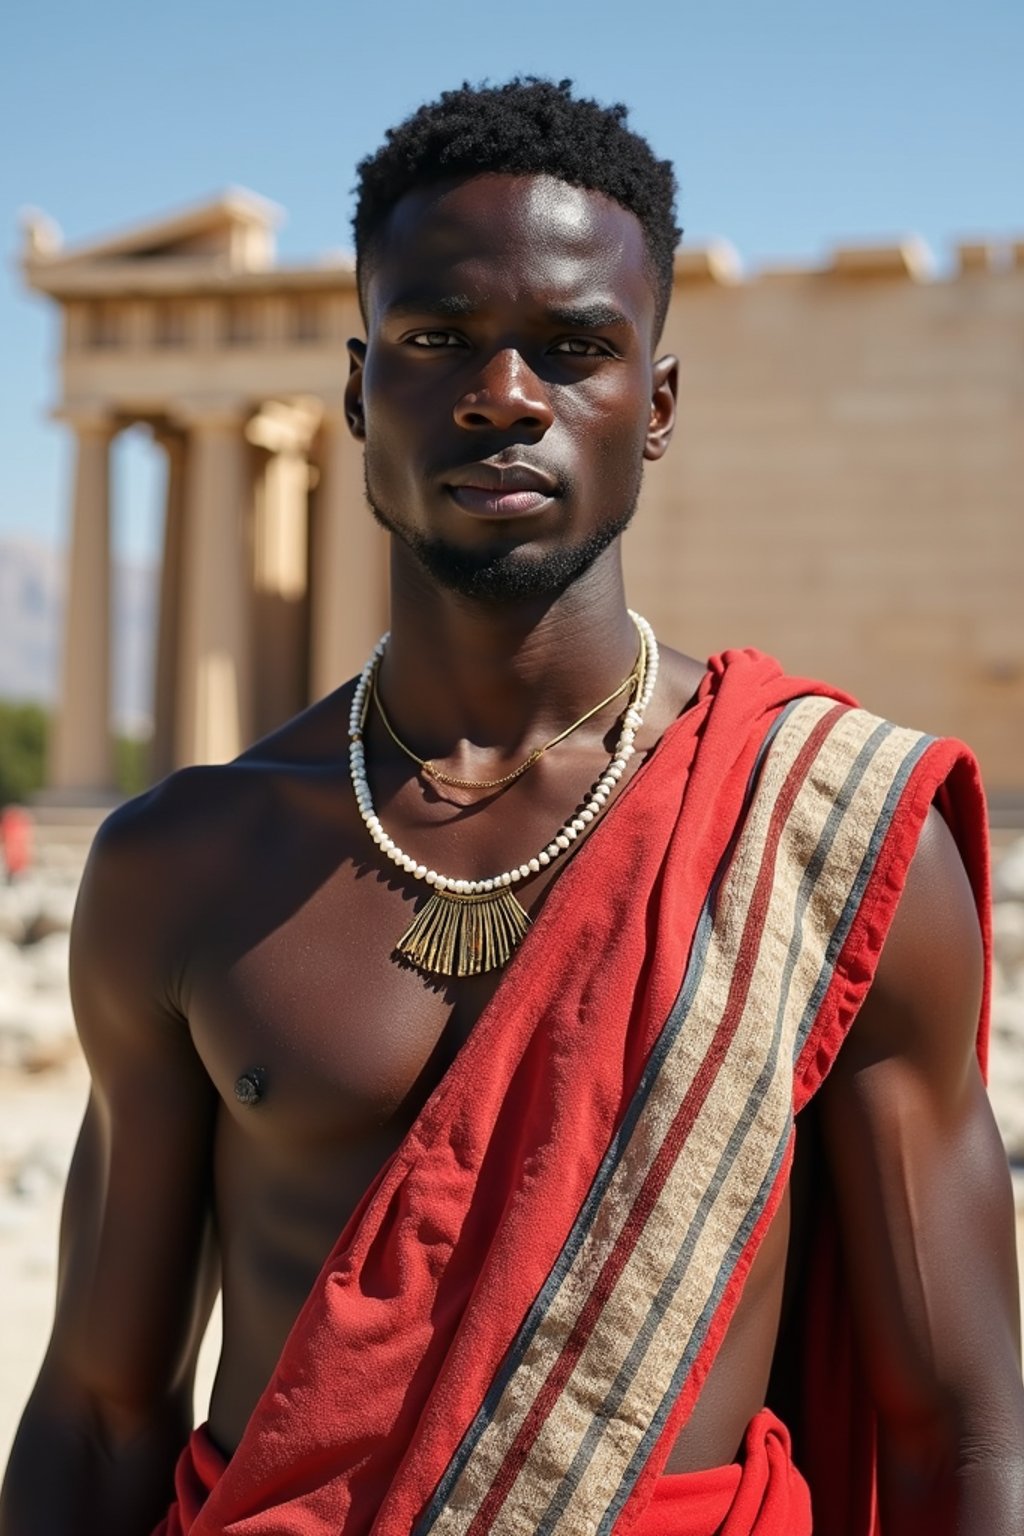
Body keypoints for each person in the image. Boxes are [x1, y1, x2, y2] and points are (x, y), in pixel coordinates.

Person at [1, 78, 1022, 1536]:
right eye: (440, 341)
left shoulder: (830, 839)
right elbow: (100, 1419)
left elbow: (966, 1442)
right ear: (359, 391)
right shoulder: (185, 863)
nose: (505, 394)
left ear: (653, 406)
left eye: (574, 347)